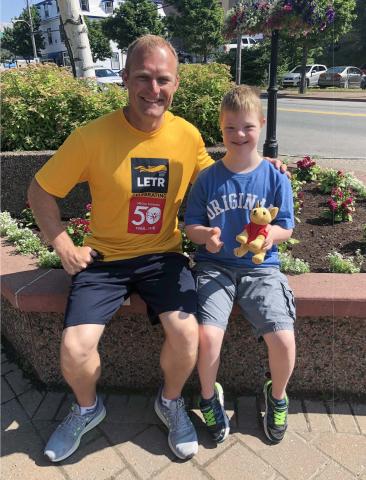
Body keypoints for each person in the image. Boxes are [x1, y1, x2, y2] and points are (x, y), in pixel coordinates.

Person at [28, 36, 287, 462]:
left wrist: (265, 166)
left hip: (162, 256)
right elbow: (40, 190)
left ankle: (169, 401)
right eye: (143, 77)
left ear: (176, 84)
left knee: (188, 333)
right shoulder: (91, 137)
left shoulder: (185, 135)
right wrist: (62, 244)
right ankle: (87, 408)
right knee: (75, 348)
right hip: (105, 260)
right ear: (125, 79)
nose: (153, 88)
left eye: (163, 79)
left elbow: (221, 177)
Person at [184, 85, 296, 445]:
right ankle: (207, 397)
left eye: (247, 127)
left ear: (261, 125)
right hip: (214, 266)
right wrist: (206, 236)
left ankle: (276, 396)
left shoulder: (275, 177)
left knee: (282, 337)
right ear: (221, 129)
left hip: (261, 268)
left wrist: (269, 238)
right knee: (207, 337)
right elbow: (192, 225)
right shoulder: (208, 178)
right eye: (230, 128)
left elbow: (287, 226)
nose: (239, 135)